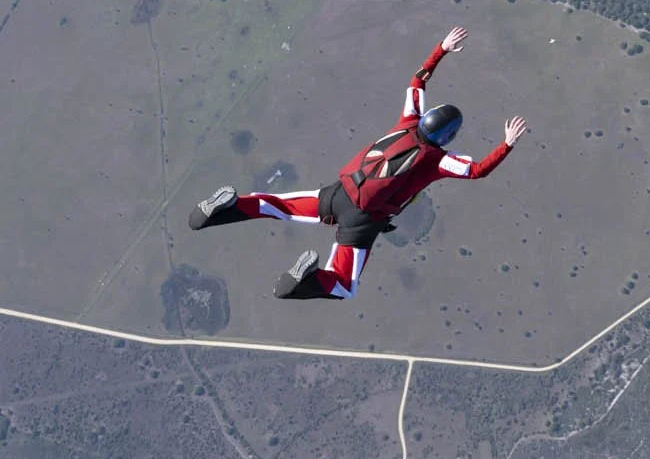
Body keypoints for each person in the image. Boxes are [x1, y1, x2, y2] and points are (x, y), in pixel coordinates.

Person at [188, 27, 524, 301]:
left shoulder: (408, 121)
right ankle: (307, 281)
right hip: (362, 219)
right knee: (344, 286)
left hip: (339, 192)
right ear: (448, 138)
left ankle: (225, 209)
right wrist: (507, 144)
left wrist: (442, 49)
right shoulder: (437, 161)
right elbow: (478, 170)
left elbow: (417, 81)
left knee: (278, 206)